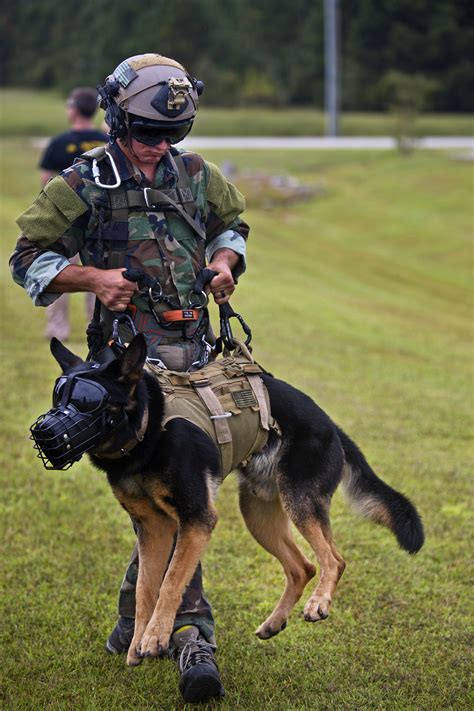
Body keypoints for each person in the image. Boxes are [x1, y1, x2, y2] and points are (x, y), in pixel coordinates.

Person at [10, 53, 249, 704]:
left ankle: (129, 620)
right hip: (126, 363)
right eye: (146, 132)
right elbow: (26, 258)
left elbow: (232, 225)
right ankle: (193, 638)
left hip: (197, 354)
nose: (157, 146)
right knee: (182, 494)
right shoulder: (84, 180)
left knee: (164, 493)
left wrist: (226, 262)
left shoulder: (197, 174)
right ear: (117, 118)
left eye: (171, 134)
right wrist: (93, 278)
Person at [39, 87, 108, 341]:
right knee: (99, 274)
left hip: (66, 220)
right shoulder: (106, 141)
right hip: (101, 219)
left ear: (75, 109)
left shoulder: (60, 143)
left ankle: (58, 329)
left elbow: (46, 181)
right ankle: (98, 325)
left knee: (59, 273)